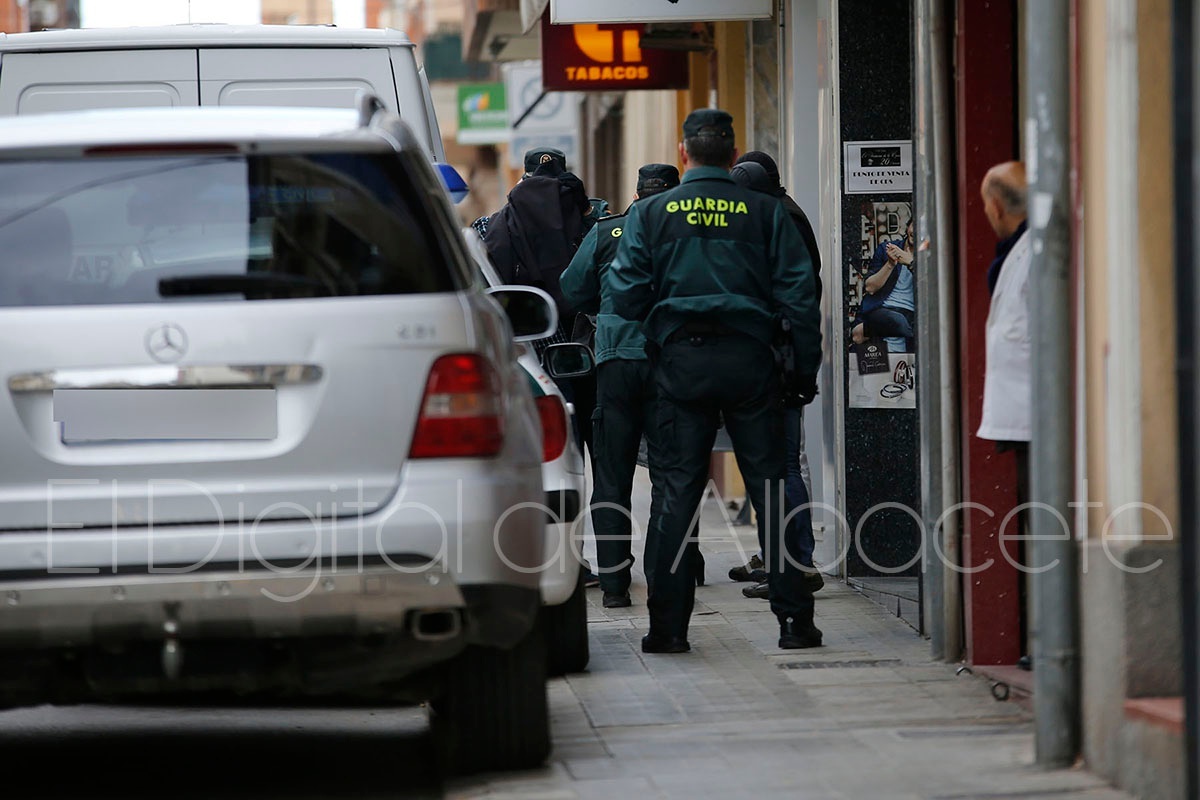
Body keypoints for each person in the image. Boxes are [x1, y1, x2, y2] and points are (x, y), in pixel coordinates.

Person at [610, 108, 823, 654]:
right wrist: (802, 373)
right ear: (733, 156)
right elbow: (800, 298)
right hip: (753, 364)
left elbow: (626, 295)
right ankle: (796, 623)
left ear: (685, 153)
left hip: (680, 364)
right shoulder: (765, 211)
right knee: (771, 490)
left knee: (675, 494)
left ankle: (668, 629)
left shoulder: (651, 213)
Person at [561, 163, 707, 609]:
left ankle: (614, 586)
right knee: (673, 475)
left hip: (617, 361)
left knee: (612, 474)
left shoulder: (608, 232)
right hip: (672, 363)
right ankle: (670, 576)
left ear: (637, 191)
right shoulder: (693, 234)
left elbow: (572, 287)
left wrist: (604, 311)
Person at [726, 159, 825, 601]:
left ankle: (796, 564)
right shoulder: (785, 214)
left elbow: (793, 298)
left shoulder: (779, 221)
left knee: (782, 463)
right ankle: (781, 560)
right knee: (778, 462)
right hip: (781, 356)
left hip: (775, 359)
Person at [977, 160, 1032, 670]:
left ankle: (1043, 637)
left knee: (1040, 521)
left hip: (1036, 412)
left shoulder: (1032, 253)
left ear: (996, 207)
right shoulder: (1016, 252)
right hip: (1024, 411)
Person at [851, 217, 916, 353]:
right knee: (873, 369)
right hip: (882, 312)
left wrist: (911, 264)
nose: (915, 232)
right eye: (913, 226)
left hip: (909, 319)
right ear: (908, 226)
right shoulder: (888, 248)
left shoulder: (932, 256)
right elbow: (870, 287)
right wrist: (891, 264)